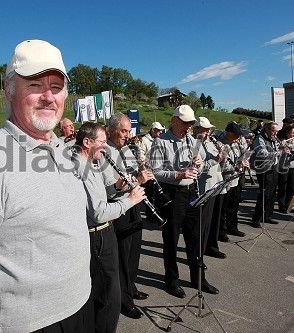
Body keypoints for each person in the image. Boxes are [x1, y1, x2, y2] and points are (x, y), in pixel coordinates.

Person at [0, 39, 94, 333]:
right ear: (10, 89)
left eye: (57, 87)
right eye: (35, 84)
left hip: (81, 308)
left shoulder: (62, 150)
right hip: (29, 325)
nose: (49, 96)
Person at [72, 122, 146, 333]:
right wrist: (130, 200)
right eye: (102, 143)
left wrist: (117, 187)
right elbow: (98, 212)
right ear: (87, 142)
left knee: (104, 295)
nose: (106, 148)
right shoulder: (81, 167)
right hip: (98, 236)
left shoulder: (90, 161)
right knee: (108, 299)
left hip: (103, 232)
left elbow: (100, 196)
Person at [150, 105, 219, 298]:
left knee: (195, 239)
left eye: (190, 123)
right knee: (171, 239)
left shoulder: (192, 139)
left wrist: (200, 163)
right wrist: (179, 174)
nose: (189, 126)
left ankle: (198, 278)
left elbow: (204, 165)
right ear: (174, 121)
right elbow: (156, 173)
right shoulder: (160, 142)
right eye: (185, 122)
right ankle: (171, 280)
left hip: (193, 192)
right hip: (173, 194)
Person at [102, 113, 153, 320]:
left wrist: (143, 172)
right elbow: (105, 190)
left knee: (134, 251)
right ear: (112, 130)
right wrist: (128, 183)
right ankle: (123, 300)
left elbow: (135, 177)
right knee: (122, 256)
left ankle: (130, 287)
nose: (128, 135)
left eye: (129, 131)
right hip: (118, 207)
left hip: (134, 202)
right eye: (124, 131)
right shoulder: (104, 152)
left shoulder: (130, 149)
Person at [192, 117, 227, 259]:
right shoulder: (194, 145)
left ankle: (211, 247)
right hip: (204, 188)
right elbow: (199, 169)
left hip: (217, 184)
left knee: (214, 221)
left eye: (209, 129)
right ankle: (198, 254)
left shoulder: (212, 143)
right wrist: (216, 159)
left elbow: (220, 166)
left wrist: (223, 156)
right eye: (205, 129)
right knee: (202, 224)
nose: (208, 132)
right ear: (197, 129)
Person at [250, 122, 290, 227]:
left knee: (272, 194)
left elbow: (275, 151)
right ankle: (256, 219)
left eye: (276, 131)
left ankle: (267, 215)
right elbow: (263, 154)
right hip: (264, 170)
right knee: (265, 194)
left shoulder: (272, 139)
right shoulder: (260, 139)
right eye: (273, 130)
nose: (276, 133)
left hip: (273, 168)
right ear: (267, 129)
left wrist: (281, 146)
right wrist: (280, 151)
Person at [216, 122, 250, 240]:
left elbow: (240, 156)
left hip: (236, 178)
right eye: (236, 135)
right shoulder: (219, 144)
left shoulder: (235, 143)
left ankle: (232, 227)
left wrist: (244, 160)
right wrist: (237, 165)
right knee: (223, 209)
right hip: (225, 180)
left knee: (234, 206)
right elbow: (220, 166)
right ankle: (221, 231)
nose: (238, 138)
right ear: (228, 133)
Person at [276, 125, 294, 212]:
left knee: (292, 187)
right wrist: (282, 145)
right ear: (287, 134)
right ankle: (282, 206)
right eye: (292, 133)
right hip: (283, 166)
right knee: (283, 187)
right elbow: (278, 153)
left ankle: (289, 205)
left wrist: (291, 147)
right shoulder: (282, 142)